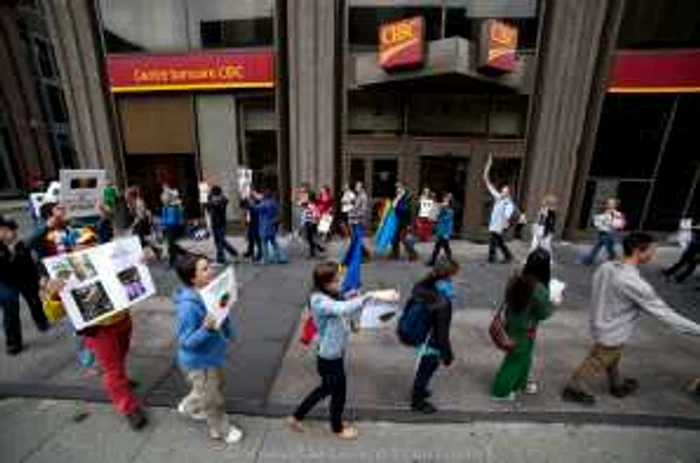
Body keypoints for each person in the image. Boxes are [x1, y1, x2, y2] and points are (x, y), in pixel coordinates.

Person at [36, 201, 150, 430]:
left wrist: (140, 263)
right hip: (97, 329)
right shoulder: (62, 274)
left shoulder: (107, 259)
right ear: (72, 250)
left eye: (92, 242)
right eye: (84, 245)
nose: (90, 247)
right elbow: (54, 313)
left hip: (122, 319)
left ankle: (121, 381)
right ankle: (128, 407)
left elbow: (132, 280)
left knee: (120, 357)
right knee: (112, 369)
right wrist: (53, 293)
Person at [562, 232, 700, 405]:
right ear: (638, 251)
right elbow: (666, 314)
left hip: (601, 324)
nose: (653, 254)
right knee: (597, 361)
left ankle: (616, 385)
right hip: (613, 330)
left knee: (612, 356)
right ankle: (574, 389)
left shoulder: (607, 266)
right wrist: (697, 329)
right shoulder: (634, 283)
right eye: (651, 250)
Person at [286, 261, 398, 439]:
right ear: (324, 283)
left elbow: (342, 308)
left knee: (325, 389)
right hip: (329, 357)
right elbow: (340, 308)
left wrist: (351, 323)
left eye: (339, 279)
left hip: (333, 353)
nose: (340, 283)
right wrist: (371, 295)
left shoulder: (330, 293)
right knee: (339, 393)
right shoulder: (318, 300)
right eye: (336, 281)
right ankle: (337, 428)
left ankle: (295, 417)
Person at [173, 253, 242, 444]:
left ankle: (191, 406)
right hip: (199, 362)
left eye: (209, 266)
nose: (211, 270)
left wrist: (227, 333)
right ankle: (220, 430)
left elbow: (221, 313)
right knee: (213, 399)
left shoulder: (209, 291)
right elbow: (185, 342)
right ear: (192, 278)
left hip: (212, 355)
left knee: (215, 385)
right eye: (204, 269)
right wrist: (205, 329)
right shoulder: (188, 307)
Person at [490, 248, 555, 401]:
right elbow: (544, 313)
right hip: (525, 329)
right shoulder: (539, 289)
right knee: (515, 360)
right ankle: (501, 391)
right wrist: (554, 302)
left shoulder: (516, 276)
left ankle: (520, 383)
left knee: (524, 357)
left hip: (512, 322)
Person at [410, 259, 459, 413]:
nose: (453, 280)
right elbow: (441, 331)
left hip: (422, 335)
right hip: (432, 342)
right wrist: (447, 353)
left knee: (423, 368)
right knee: (426, 370)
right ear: (447, 276)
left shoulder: (427, 286)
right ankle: (417, 402)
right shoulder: (442, 300)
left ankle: (420, 390)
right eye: (452, 276)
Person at [0, 216, 49, 355]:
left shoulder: (22, 245)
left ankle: (40, 320)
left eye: (9, 230)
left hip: (25, 278)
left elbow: (32, 264)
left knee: (34, 300)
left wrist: (40, 278)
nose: (6, 233)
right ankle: (13, 342)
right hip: (5, 281)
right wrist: (10, 251)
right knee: (9, 307)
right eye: (2, 230)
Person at [483, 155, 515, 264]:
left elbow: (507, 215)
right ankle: (508, 256)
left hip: (499, 226)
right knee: (499, 242)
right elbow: (486, 180)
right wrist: (488, 166)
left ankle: (492, 258)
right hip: (494, 224)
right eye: (502, 190)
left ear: (508, 193)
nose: (502, 192)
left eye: (505, 191)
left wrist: (505, 224)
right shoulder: (498, 197)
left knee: (494, 240)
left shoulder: (508, 203)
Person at [582, 198, 625, 265]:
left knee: (602, 247)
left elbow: (619, 225)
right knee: (605, 247)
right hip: (601, 231)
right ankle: (590, 259)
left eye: (612, 203)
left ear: (615, 205)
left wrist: (611, 222)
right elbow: (597, 222)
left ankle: (589, 260)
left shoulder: (617, 214)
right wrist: (597, 221)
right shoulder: (603, 212)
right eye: (608, 203)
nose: (610, 205)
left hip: (609, 233)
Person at [207, 186, 239, 264]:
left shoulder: (221, 201)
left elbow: (217, 205)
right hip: (216, 223)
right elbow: (209, 208)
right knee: (219, 241)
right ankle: (233, 252)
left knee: (220, 241)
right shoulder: (214, 200)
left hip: (220, 223)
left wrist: (215, 200)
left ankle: (221, 259)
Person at [253, 190, 287, 264]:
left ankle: (265, 259)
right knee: (274, 242)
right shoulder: (273, 202)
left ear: (265, 196)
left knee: (264, 243)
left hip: (264, 225)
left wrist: (249, 202)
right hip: (272, 224)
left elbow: (255, 208)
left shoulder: (264, 203)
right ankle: (281, 257)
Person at [391, 184, 418, 261]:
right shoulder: (399, 198)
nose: (397, 191)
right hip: (399, 222)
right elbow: (394, 208)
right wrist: (397, 200)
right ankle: (395, 254)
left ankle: (413, 255)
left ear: (403, 190)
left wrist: (409, 224)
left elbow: (409, 212)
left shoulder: (408, 199)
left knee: (404, 240)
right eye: (397, 190)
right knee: (395, 239)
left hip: (406, 222)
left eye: (399, 190)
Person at [426, 192, 454, 266]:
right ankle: (447, 260)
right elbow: (435, 213)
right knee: (442, 247)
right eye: (445, 197)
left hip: (445, 230)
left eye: (447, 198)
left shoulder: (449, 209)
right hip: (441, 229)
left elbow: (447, 219)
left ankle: (433, 261)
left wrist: (438, 215)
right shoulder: (442, 206)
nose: (445, 199)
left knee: (443, 247)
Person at [160, 186, 185, 266]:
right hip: (168, 227)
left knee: (171, 243)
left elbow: (179, 216)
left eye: (165, 198)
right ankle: (180, 252)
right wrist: (163, 224)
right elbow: (164, 218)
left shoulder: (175, 206)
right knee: (171, 243)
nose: (163, 200)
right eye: (163, 199)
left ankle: (172, 260)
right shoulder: (165, 207)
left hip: (173, 227)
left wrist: (180, 223)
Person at [300, 192, 325, 258]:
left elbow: (316, 215)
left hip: (310, 224)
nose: (307, 199)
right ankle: (316, 248)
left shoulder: (312, 206)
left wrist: (313, 221)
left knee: (310, 238)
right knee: (310, 238)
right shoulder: (310, 206)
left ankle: (314, 250)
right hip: (309, 223)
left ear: (310, 199)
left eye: (308, 198)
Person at [240, 190, 262, 262]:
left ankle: (260, 253)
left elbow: (256, 206)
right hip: (251, 221)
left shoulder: (258, 199)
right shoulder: (249, 200)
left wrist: (255, 197)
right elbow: (242, 205)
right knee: (250, 237)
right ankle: (250, 251)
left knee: (257, 237)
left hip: (257, 222)